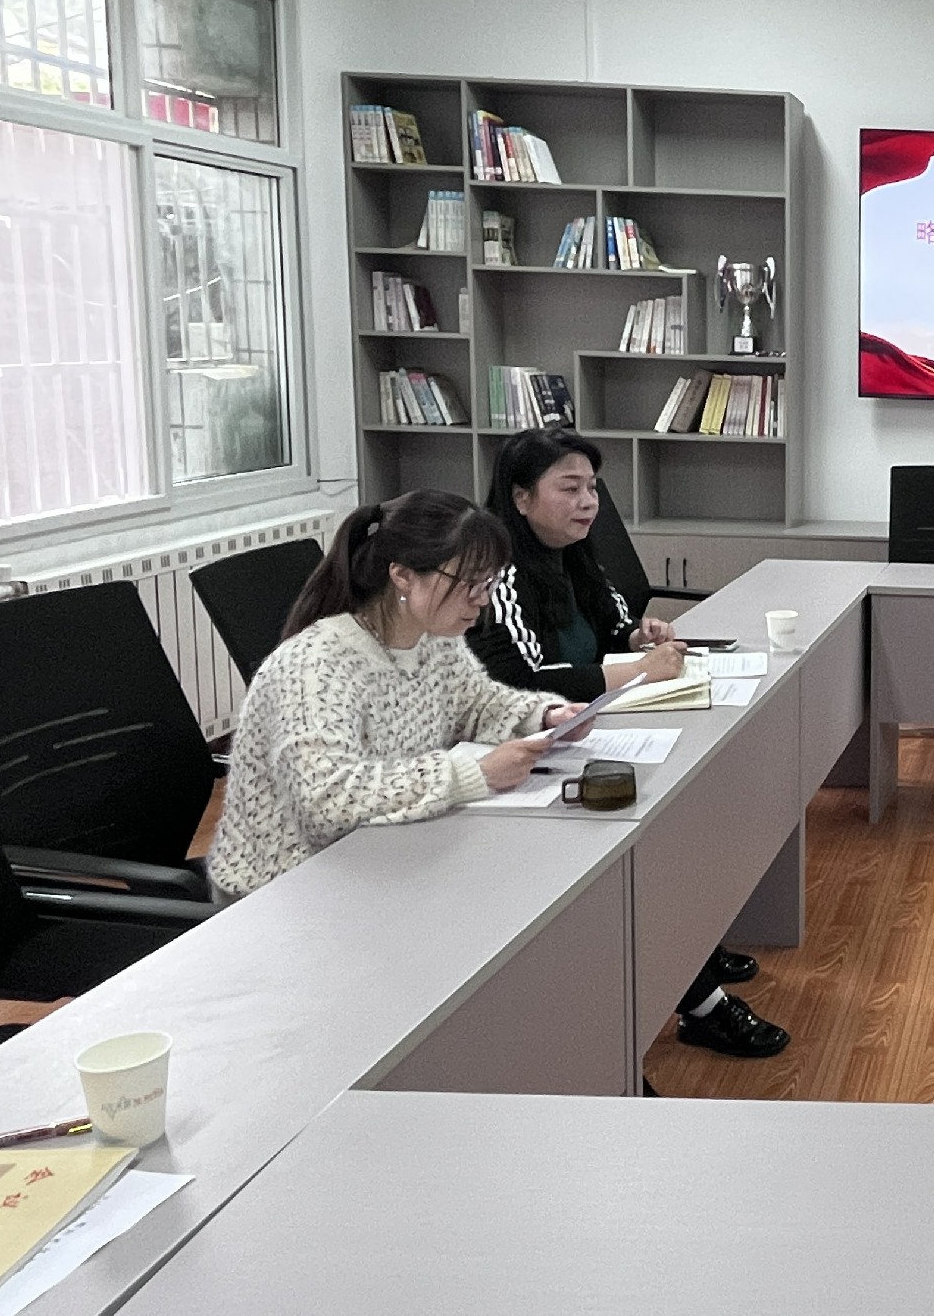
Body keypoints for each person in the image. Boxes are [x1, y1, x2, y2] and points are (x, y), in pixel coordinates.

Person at [471, 426, 789, 1061]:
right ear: (521, 498)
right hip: (532, 756)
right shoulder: (499, 573)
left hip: (588, 731)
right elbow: (518, 682)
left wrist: (640, 639)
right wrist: (637, 671)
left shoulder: (574, 553)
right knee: (646, 840)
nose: (588, 502)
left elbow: (613, 627)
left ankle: (692, 946)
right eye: (569, 488)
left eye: (592, 487)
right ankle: (702, 1005)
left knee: (689, 807)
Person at [207, 490, 571, 900]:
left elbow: (476, 706)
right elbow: (326, 801)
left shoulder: (432, 639)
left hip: (376, 858)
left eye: (488, 582)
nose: (483, 599)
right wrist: (475, 774)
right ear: (402, 576)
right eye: (469, 583)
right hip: (284, 888)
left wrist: (545, 716)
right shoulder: (316, 667)